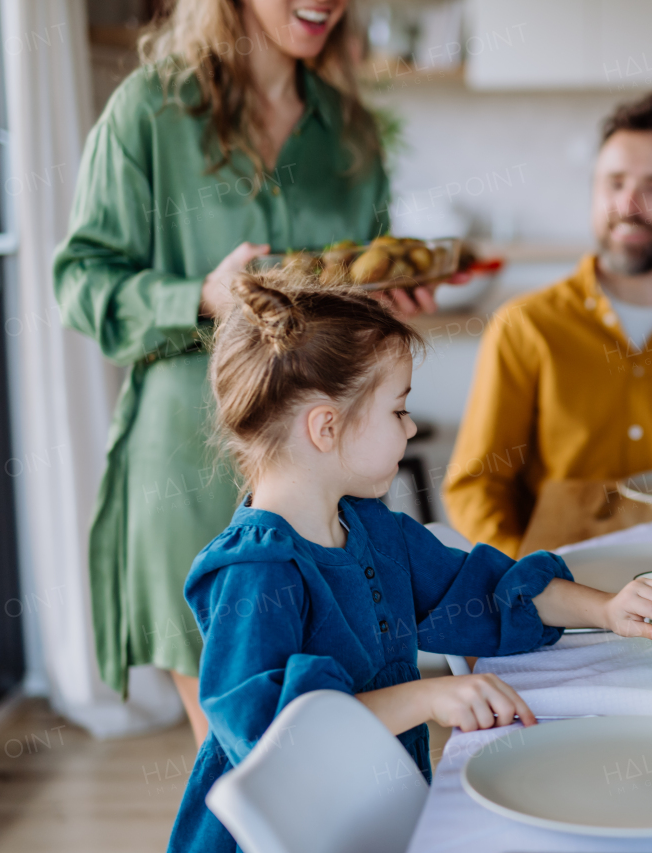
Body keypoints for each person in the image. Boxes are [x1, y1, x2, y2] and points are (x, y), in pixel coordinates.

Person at [168, 272, 652, 852]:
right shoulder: (252, 573)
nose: (410, 428)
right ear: (326, 427)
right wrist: (426, 698)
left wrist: (606, 609)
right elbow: (271, 739)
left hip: (378, 820)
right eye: (398, 410)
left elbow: (483, 591)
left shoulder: (373, 530)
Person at [53, 0, 439, 745]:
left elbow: (349, 295)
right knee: (244, 749)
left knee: (332, 736)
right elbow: (79, 282)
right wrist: (199, 295)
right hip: (185, 468)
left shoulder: (350, 135)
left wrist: (384, 302)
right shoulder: (149, 112)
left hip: (322, 475)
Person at [443, 93, 652, 555]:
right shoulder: (525, 327)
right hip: (555, 588)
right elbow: (476, 485)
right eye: (614, 183)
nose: (628, 203)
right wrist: (523, 578)